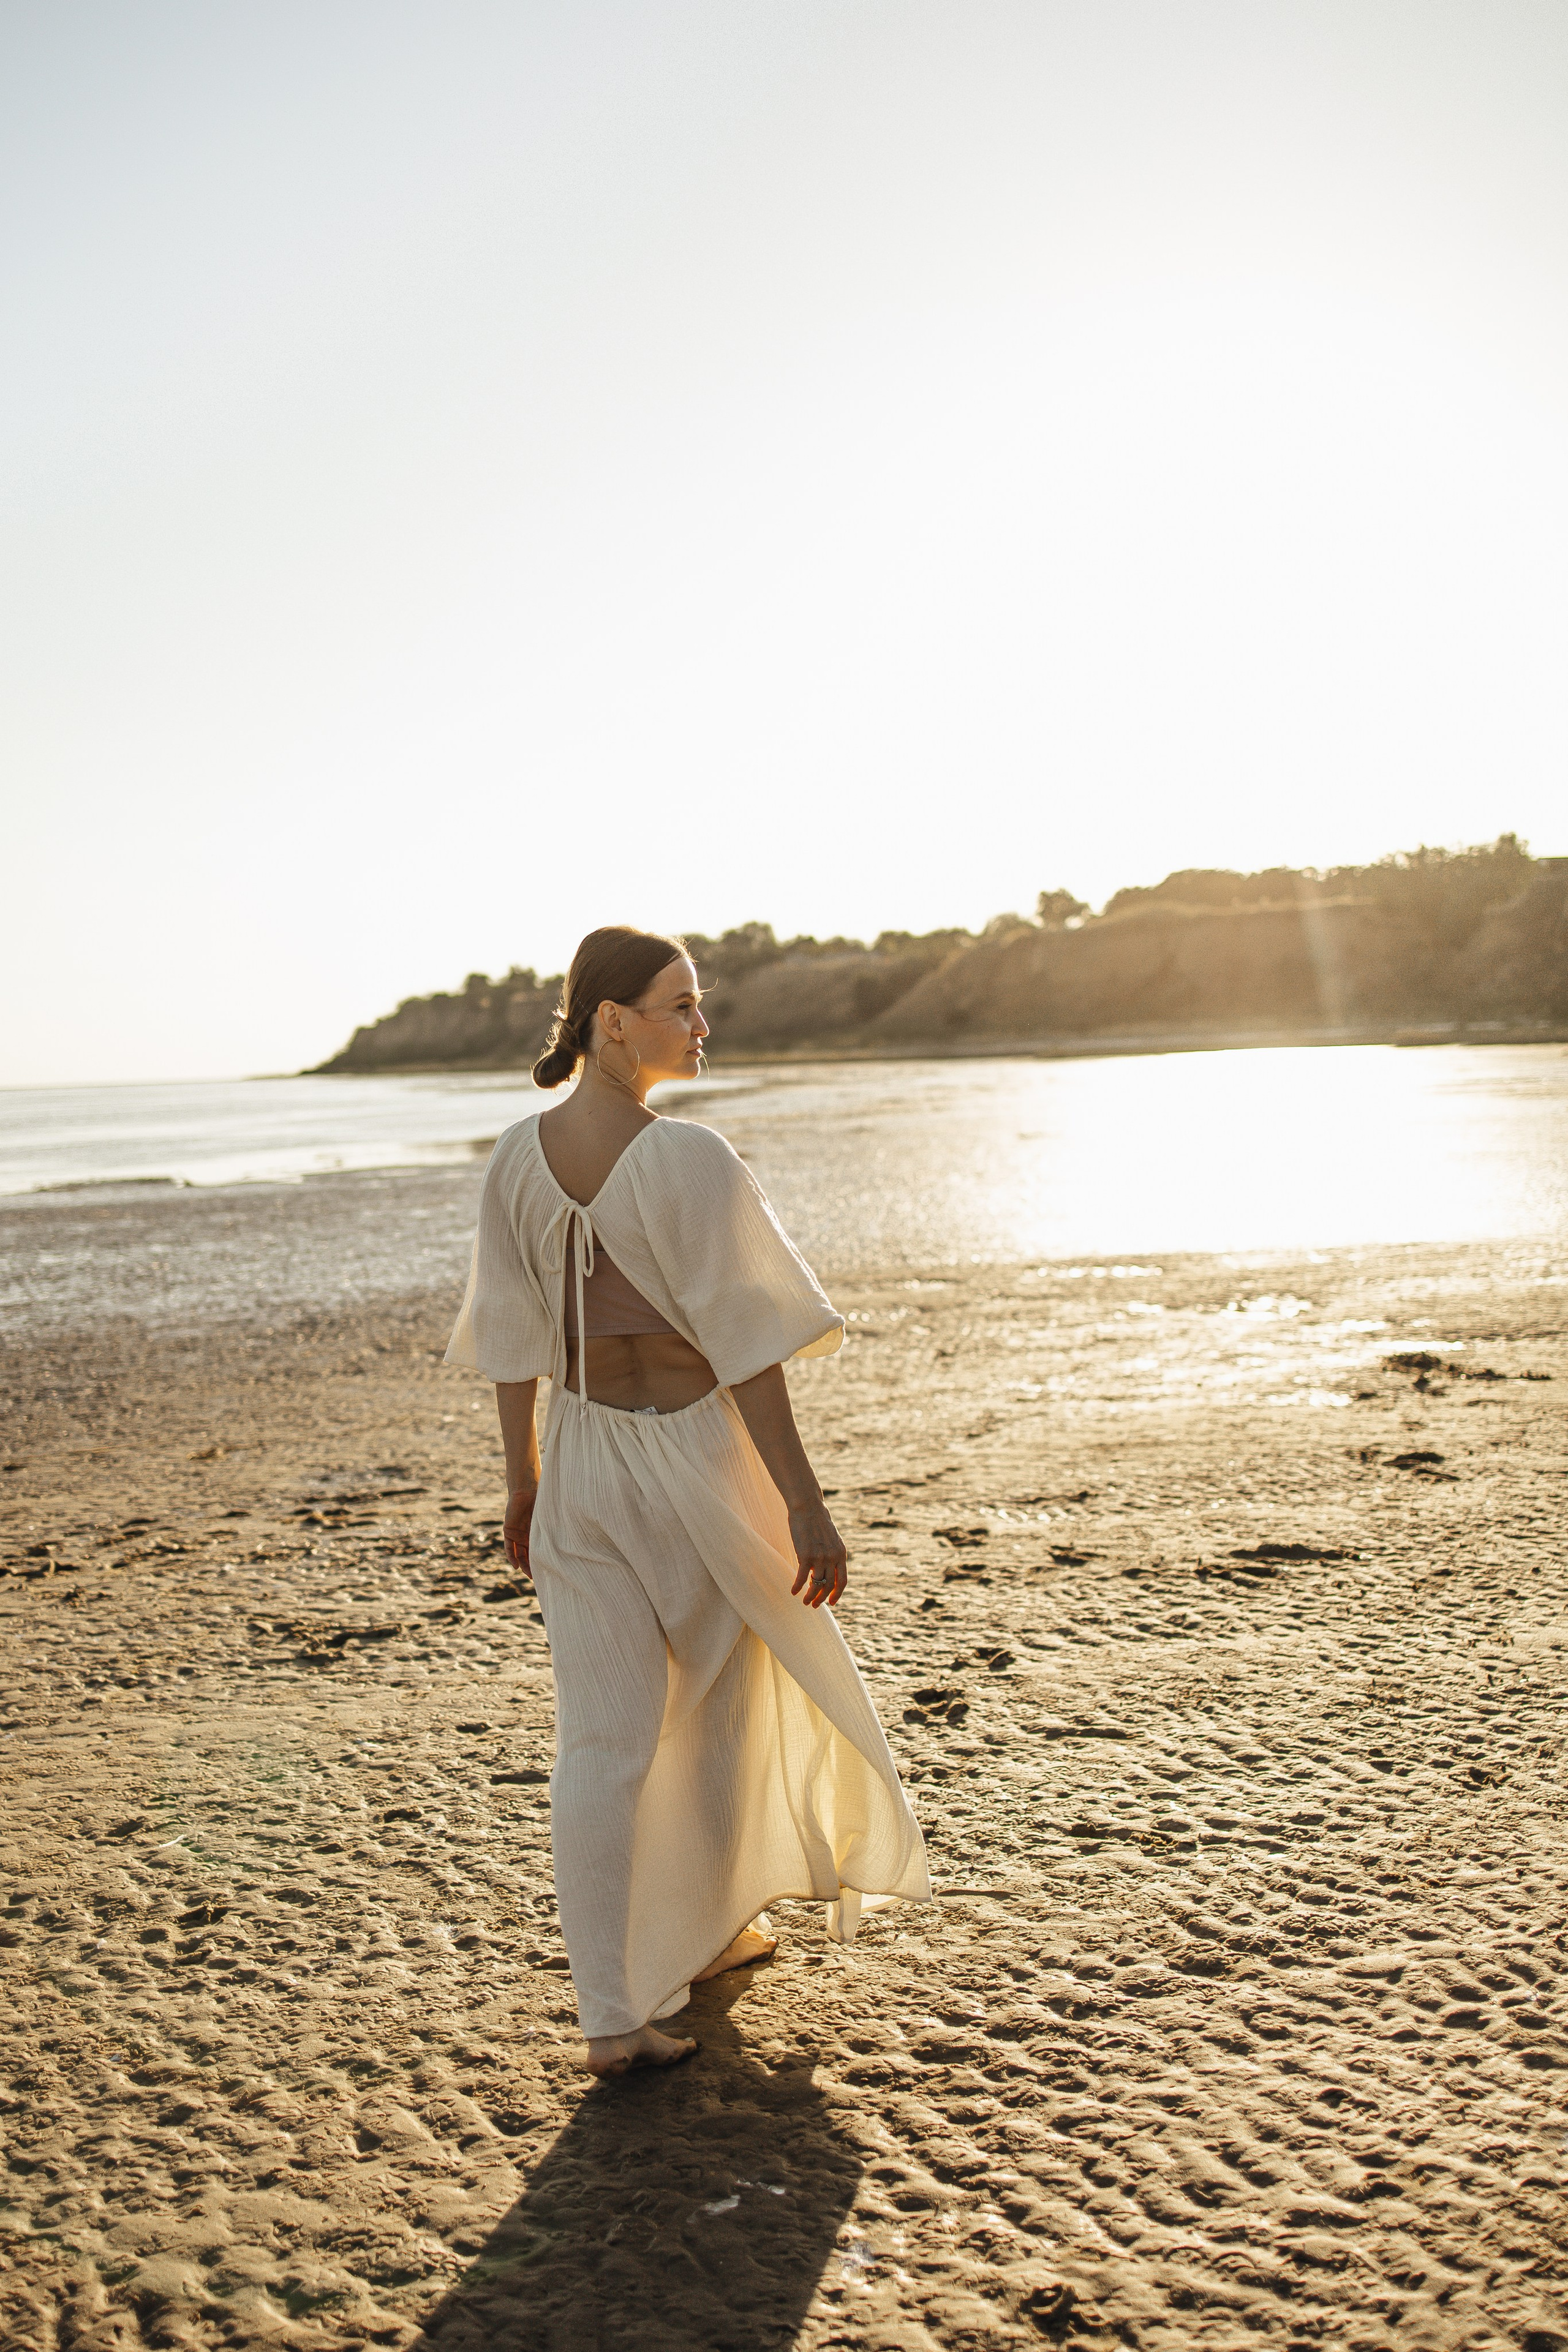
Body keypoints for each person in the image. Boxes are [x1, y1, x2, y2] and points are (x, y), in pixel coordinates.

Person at [446, 926, 929, 2076]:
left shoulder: (514, 1158)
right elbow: (746, 1348)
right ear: (611, 1020)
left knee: (603, 1742)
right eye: (681, 1005)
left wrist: (523, 1482)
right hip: (696, 1461)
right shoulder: (690, 1161)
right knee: (729, 1690)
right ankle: (690, 1944)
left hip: (583, 1464)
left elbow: (514, 1342)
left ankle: (619, 2008)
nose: (701, 1026)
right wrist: (804, 1504)